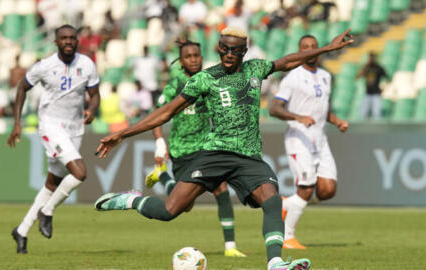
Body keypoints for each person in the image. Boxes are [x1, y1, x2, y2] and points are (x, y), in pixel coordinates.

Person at [94, 27, 353, 270]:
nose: (229, 54)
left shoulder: (255, 69)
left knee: (272, 200)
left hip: (248, 157)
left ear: (244, 51)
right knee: (170, 211)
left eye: (235, 50)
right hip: (215, 154)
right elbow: (166, 112)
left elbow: (287, 61)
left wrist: (327, 49)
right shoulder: (205, 79)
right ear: (218, 49)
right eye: (225, 49)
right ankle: (130, 199)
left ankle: (275, 263)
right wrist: (122, 134)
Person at [145, 39, 246, 257]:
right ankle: (162, 176)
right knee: (183, 206)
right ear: (181, 61)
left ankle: (230, 247)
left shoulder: (210, 80)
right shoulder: (175, 85)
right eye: (188, 56)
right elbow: (156, 115)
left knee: (221, 187)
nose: (193, 59)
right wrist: (159, 142)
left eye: (197, 55)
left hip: (205, 147)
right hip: (182, 150)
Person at [7, 24, 100, 254]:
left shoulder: (87, 64)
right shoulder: (45, 66)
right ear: (56, 42)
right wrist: (17, 123)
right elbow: (22, 87)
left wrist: (93, 109)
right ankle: (46, 212)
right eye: (64, 38)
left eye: (72, 38)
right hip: (51, 125)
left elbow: (95, 94)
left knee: (52, 184)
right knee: (80, 173)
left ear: (77, 41)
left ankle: (22, 230)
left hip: (74, 128)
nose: (69, 41)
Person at [269, 35, 349, 250]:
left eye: (314, 47)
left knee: (327, 190)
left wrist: (337, 121)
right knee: (306, 189)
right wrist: (298, 117)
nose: (311, 50)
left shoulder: (325, 76)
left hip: (320, 140)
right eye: (306, 47)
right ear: (300, 50)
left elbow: (322, 108)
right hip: (299, 139)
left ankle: (285, 204)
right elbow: (274, 108)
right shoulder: (293, 77)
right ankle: (288, 237)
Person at [357, 52, 389, 120]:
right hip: (367, 94)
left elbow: (388, 78)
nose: (371, 59)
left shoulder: (378, 68)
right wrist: (366, 66)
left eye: (372, 57)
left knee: (377, 114)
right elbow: (358, 76)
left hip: (376, 94)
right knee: (363, 114)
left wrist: (384, 88)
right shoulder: (366, 67)